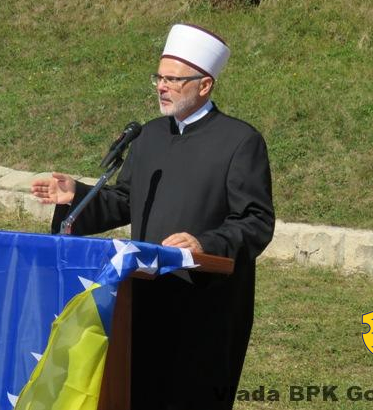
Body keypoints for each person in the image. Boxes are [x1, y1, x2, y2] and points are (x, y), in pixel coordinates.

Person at [30, 23, 275, 409]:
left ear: (205, 85)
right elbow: (125, 199)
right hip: (143, 296)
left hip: (205, 303)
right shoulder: (149, 136)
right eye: (159, 78)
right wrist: (77, 195)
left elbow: (256, 220)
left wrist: (204, 243)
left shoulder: (240, 141)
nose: (162, 87)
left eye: (173, 80)